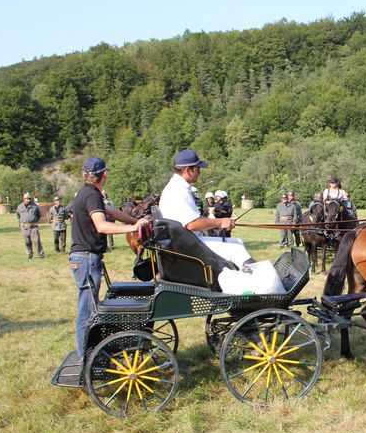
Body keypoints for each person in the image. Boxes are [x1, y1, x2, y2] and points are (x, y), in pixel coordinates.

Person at [69, 157, 148, 362]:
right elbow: (102, 226)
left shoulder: (89, 193)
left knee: (91, 309)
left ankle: (90, 354)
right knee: (86, 312)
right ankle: (85, 362)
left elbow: (114, 212)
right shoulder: (92, 196)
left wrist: (138, 221)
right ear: (104, 175)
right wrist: (133, 228)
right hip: (86, 258)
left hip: (85, 258)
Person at [158, 149, 253, 269]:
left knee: (237, 242)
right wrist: (221, 222)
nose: (199, 173)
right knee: (237, 250)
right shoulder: (177, 190)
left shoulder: (179, 187)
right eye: (198, 169)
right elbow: (192, 224)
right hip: (187, 246)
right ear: (188, 170)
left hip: (188, 241)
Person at [16, 192, 44, 259]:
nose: (28, 200)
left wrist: (33, 221)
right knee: (27, 242)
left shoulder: (34, 206)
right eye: (26, 199)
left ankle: (40, 255)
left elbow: (38, 215)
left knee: (36, 241)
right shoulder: (20, 207)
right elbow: (18, 215)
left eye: (29, 199)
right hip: (25, 227)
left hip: (33, 226)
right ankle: (29, 254)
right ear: (23, 199)